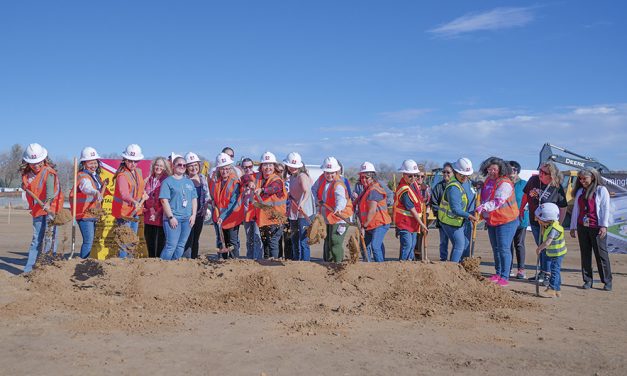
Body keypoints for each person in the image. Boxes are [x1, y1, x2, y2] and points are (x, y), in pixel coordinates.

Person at [521, 161, 567, 285]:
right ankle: (542, 272)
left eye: (543, 172)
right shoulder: (533, 180)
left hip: (549, 224)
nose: (540, 174)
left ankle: (547, 274)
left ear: (551, 175)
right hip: (535, 220)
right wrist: (521, 210)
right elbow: (525, 196)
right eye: (540, 171)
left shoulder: (557, 187)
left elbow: (563, 207)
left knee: (545, 247)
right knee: (540, 246)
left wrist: (559, 225)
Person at [476, 157, 520, 287]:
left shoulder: (504, 183)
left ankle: (505, 276)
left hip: (507, 220)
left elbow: (497, 202)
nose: (491, 171)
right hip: (492, 220)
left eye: (494, 169)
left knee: (503, 248)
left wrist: (482, 207)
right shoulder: (489, 180)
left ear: (500, 169)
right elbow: (486, 194)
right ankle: (498, 272)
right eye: (489, 169)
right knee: (496, 249)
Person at [20, 143, 64, 273]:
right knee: (36, 239)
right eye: (33, 163)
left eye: (39, 162)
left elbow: (51, 191)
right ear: (27, 163)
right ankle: (29, 270)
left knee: (50, 238)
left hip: (51, 209)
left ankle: (47, 267)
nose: (36, 165)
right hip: (37, 211)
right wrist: (24, 186)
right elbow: (29, 187)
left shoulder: (49, 172)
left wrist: (48, 202)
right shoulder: (26, 175)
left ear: (44, 159)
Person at [569, 168, 613, 291]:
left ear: (592, 177)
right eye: (580, 179)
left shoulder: (601, 190)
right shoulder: (579, 192)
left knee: (601, 254)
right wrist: (573, 227)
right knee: (585, 254)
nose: (582, 181)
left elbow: (605, 209)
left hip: (597, 227)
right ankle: (587, 280)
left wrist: (604, 226)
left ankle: (607, 281)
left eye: (585, 178)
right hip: (582, 227)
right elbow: (576, 210)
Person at [312, 156, 353, 262]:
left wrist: (339, 208)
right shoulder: (321, 178)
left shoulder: (338, 183)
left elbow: (341, 198)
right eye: (327, 172)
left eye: (332, 173)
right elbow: (314, 189)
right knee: (327, 240)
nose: (329, 175)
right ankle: (327, 263)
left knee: (335, 241)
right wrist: (317, 200)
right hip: (328, 217)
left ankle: (338, 264)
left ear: (337, 172)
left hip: (341, 217)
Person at [437, 157, 478, 263]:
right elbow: (455, 209)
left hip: (460, 220)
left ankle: (461, 270)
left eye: (467, 175)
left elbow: (470, 186)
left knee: (464, 245)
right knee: (459, 245)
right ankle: (453, 270)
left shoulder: (465, 181)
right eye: (462, 175)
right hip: (451, 221)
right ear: (456, 172)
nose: (465, 177)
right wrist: (469, 216)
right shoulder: (454, 188)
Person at [112, 144, 148, 258]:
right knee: (124, 240)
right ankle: (123, 264)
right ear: (125, 160)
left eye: (135, 161)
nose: (133, 164)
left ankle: (130, 263)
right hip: (124, 214)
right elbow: (124, 194)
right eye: (130, 161)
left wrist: (144, 194)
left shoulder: (138, 172)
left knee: (132, 239)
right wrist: (134, 201)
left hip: (135, 212)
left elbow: (140, 187)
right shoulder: (122, 175)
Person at [159, 156, 198, 260]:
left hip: (187, 219)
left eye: (184, 165)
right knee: (171, 246)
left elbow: (194, 199)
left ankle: (173, 267)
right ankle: (162, 267)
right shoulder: (167, 182)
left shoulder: (189, 182)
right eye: (179, 164)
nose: (182, 167)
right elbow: (164, 200)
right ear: (173, 166)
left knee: (181, 245)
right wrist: (171, 217)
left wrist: (193, 215)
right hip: (173, 218)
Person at [70, 147, 105, 259]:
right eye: (90, 163)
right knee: (88, 241)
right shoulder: (83, 176)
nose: (93, 165)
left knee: (91, 241)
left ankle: (85, 262)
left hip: (92, 214)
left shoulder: (95, 176)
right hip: (84, 214)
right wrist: (95, 192)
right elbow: (86, 188)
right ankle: (82, 263)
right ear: (84, 163)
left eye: (95, 163)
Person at [355, 162, 391, 262]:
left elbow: (372, 210)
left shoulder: (374, 190)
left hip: (380, 223)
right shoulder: (366, 190)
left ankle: (379, 268)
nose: (364, 180)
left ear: (372, 177)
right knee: (364, 246)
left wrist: (364, 226)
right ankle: (368, 266)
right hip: (371, 223)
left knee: (375, 246)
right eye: (362, 177)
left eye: (367, 177)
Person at [253, 152, 286, 259]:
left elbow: (273, 189)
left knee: (273, 243)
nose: (268, 167)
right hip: (263, 219)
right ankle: (266, 263)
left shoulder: (277, 180)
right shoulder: (258, 178)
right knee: (266, 243)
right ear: (261, 166)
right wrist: (249, 182)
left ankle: (274, 265)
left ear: (274, 166)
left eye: (270, 165)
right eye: (265, 165)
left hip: (275, 218)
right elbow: (245, 177)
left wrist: (262, 189)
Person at [211, 152, 244, 259]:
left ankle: (235, 263)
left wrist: (222, 216)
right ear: (218, 169)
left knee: (232, 242)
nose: (225, 171)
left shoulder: (235, 182)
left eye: (227, 168)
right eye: (222, 168)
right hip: (220, 217)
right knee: (221, 241)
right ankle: (222, 262)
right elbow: (216, 198)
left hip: (232, 217)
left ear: (230, 168)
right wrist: (212, 202)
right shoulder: (217, 182)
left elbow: (233, 203)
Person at [393, 160, 429, 261]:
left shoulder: (412, 186)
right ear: (404, 174)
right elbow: (411, 208)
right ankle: (403, 265)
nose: (413, 178)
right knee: (407, 245)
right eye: (410, 176)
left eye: (415, 176)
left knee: (412, 246)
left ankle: (410, 265)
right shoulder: (404, 189)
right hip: (405, 223)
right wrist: (422, 224)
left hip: (413, 223)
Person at [284, 152, 315, 261]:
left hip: (304, 212)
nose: (292, 168)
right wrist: (290, 195)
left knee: (303, 240)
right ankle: (296, 262)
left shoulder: (302, 176)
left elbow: (307, 191)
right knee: (294, 238)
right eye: (291, 166)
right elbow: (295, 191)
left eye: (295, 166)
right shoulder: (292, 176)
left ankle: (305, 264)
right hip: (294, 212)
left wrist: (302, 203)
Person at [535, 203, 568, 298]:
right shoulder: (549, 225)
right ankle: (557, 290)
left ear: (547, 219)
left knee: (554, 271)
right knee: (555, 270)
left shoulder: (554, 229)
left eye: (539, 220)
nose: (538, 221)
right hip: (553, 252)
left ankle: (552, 289)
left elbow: (548, 242)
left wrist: (539, 248)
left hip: (558, 253)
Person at [184, 152, 210, 259]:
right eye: (190, 166)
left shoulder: (202, 178)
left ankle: (194, 260)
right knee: (188, 239)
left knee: (196, 239)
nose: (193, 168)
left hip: (200, 214)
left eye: (195, 165)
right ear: (186, 167)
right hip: (188, 215)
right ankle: (186, 260)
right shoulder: (184, 180)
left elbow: (207, 195)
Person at [143, 157, 170, 258]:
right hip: (148, 217)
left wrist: (157, 213)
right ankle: (151, 264)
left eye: (161, 166)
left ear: (165, 168)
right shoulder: (148, 179)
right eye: (157, 165)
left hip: (161, 216)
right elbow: (143, 195)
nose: (158, 167)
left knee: (160, 244)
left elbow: (167, 200)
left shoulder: (167, 180)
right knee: (149, 243)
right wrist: (146, 209)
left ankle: (159, 265)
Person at [240, 158, 263, 259]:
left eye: (250, 166)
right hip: (247, 213)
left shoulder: (258, 176)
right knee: (249, 238)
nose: (248, 169)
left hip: (257, 212)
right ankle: (249, 258)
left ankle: (257, 258)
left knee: (257, 237)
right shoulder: (243, 178)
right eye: (245, 167)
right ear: (242, 168)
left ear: (253, 166)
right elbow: (245, 178)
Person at [430, 162, 454, 261]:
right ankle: (443, 260)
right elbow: (434, 203)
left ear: (453, 173)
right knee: (443, 242)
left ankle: (454, 262)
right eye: (443, 172)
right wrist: (439, 216)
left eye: (448, 172)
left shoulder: (457, 186)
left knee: (456, 243)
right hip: (443, 222)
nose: (445, 174)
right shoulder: (438, 187)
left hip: (455, 222)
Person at [509, 160, 528, 279]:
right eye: (509, 169)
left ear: (517, 171)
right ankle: (508, 268)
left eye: (514, 169)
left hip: (521, 220)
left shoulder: (525, 184)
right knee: (507, 245)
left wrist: (527, 206)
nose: (511, 172)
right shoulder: (504, 183)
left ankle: (521, 270)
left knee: (519, 244)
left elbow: (531, 198)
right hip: (506, 219)